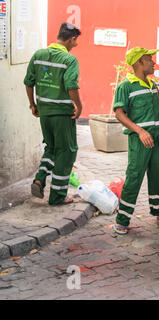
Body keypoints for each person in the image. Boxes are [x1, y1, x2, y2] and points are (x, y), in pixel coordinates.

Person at [112, 47, 159, 235]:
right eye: (150, 59)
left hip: (158, 138)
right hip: (140, 140)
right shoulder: (126, 86)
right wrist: (140, 131)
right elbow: (119, 113)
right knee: (134, 177)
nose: (154, 62)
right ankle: (122, 219)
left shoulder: (151, 84)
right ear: (139, 62)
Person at [24, 22, 83, 205]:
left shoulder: (38, 55)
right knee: (66, 152)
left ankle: (40, 179)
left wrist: (33, 104)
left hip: (44, 112)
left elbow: (28, 82)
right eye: (76, 41)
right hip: (62, 114)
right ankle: (57, 196)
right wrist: (79, 106)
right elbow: (71, 85)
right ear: (72, 39)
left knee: (51, 148)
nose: (76, 45)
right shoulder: (69, 60)